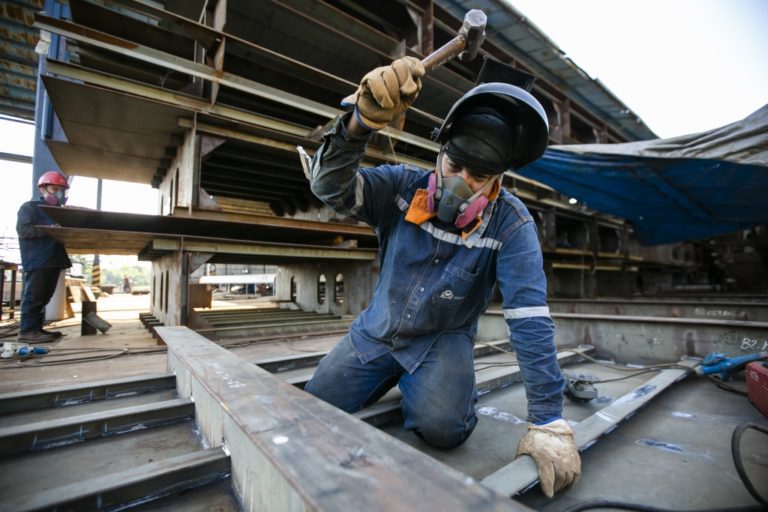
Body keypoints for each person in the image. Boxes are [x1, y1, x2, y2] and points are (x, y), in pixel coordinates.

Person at [304, 57, 580, 497]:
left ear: (498, 179)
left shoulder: (512, 225)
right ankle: (390, 373)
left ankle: (442, 384)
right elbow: (329, 187)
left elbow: (529, 318)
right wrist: (357, 124)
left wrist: (548, 419)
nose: (461, 184)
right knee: (313, 405)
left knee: (445, 431)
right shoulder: (399, 187)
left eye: (479, 176)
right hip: (375, 332)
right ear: (440, 151)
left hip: (441, 341)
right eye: (454, 166)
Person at [16, 171, 72, 343]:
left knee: (45, 296)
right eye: (54, 189)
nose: (58, 194)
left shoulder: (59, 212)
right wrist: (49, 228)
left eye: (61, 191)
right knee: (34, 296)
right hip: (38, 260)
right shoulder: (30, 208)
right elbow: (24, 230)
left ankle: (37, 329)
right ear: (43, 189)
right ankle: (27, 331)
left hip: (54, 259)